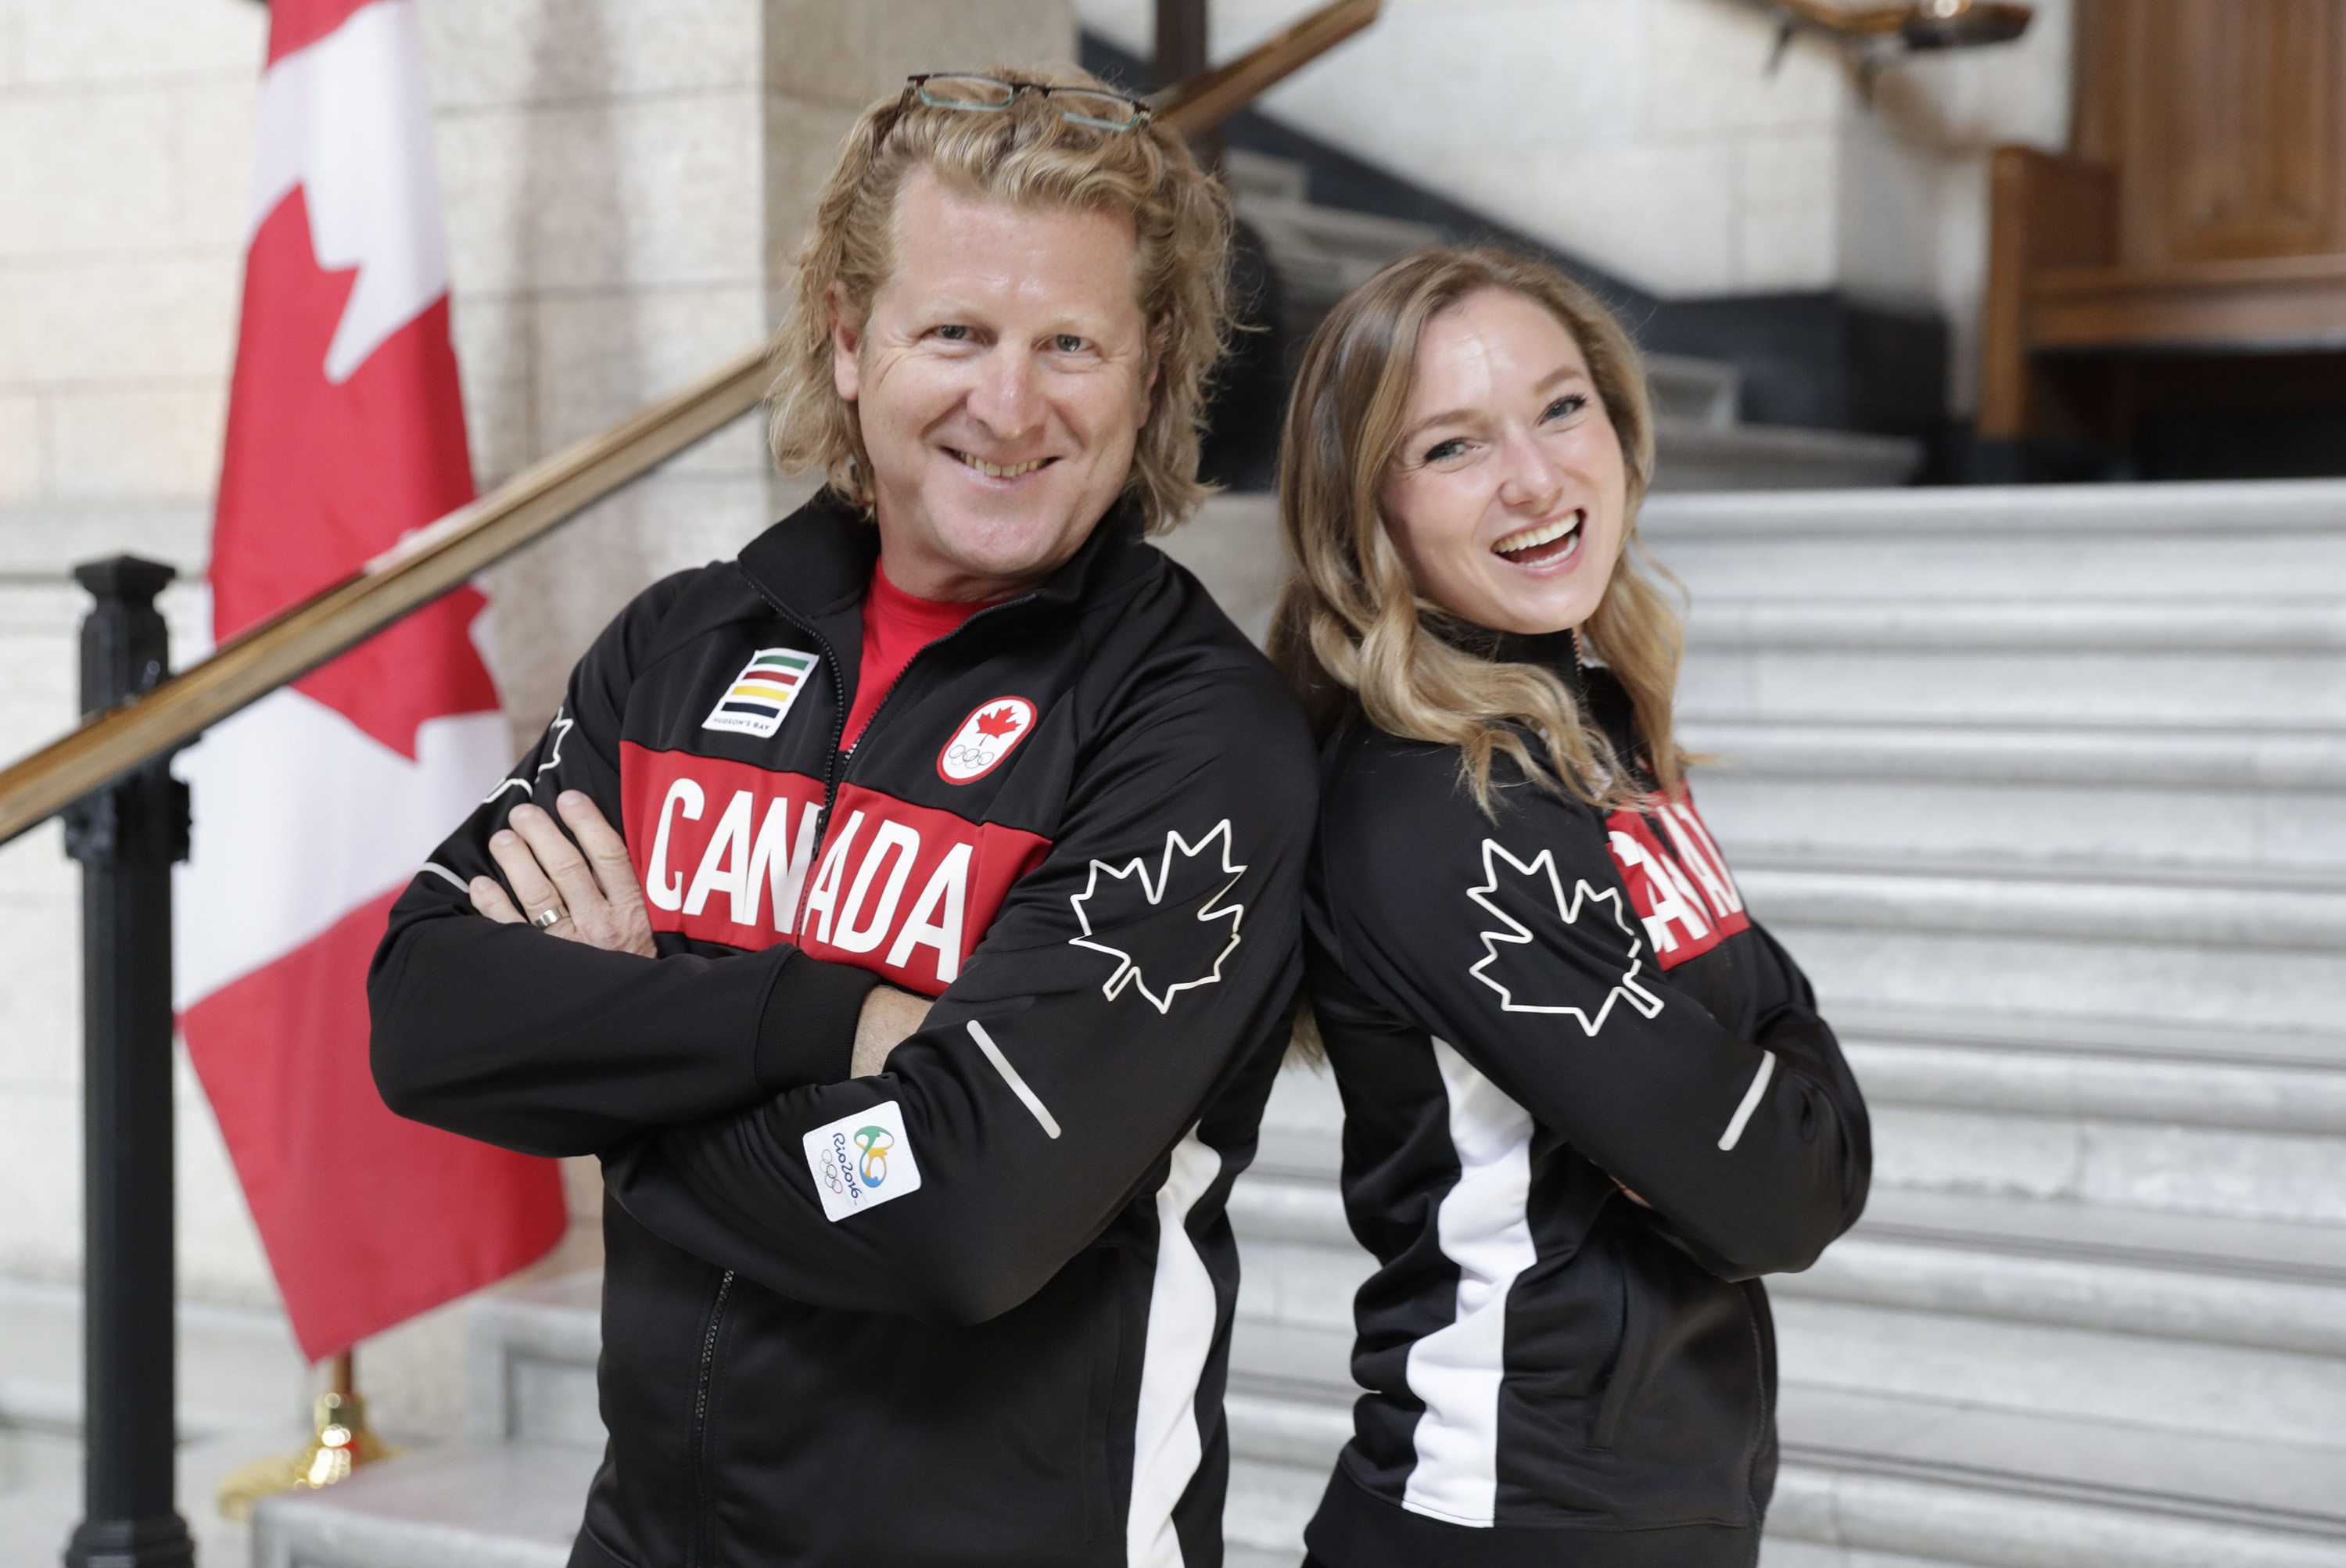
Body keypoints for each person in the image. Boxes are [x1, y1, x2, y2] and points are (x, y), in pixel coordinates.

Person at [369, 67, 1316, 1568]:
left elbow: (964, 1210)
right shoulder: (681, 649)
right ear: (848, 338)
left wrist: (615, 1065)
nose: (1010, 405)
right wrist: (822, 1024)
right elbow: (425, 1015)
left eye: (1071, 344)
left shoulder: (1194, 735)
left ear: (1151, 376)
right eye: (957, 333)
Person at [1267, 247, 1871, 1568]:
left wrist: (1751, 1072)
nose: (1536, 479)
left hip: (1641, 1498)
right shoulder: (1439, 809)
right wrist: (1755, 1072)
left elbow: (1790, 1077)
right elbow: (1781, 1188)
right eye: (1452, 446)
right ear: (1369, 511)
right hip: (1509, 1511)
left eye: (1559, 408)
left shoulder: (1580, 727)